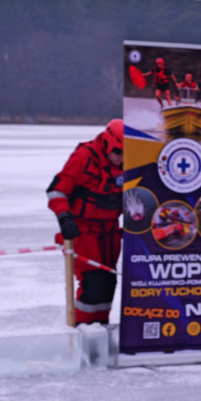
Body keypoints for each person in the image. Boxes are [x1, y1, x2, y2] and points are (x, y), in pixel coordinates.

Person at [46, 119, 124, 325]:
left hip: (110, 232)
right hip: (82, 231)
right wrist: (64, 217)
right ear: (107, 142)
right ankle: (82, 330)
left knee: (108, 282)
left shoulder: (126, 163)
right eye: (117, 151)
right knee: (94, 282)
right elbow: (57, 190)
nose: (120, 157)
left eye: (126, 153)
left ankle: (100, 330)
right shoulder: (84, 156)